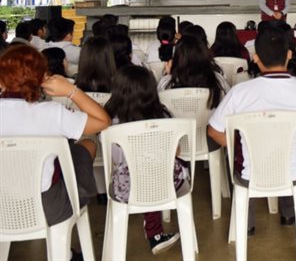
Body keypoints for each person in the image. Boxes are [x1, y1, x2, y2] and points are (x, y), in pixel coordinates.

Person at [207, 26, 296, 233]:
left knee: (236, 158)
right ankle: (289, 214)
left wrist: (243, 143)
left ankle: (247, 225)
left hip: (250, 174)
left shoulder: (240, 93)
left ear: (256, 58)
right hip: (295, 173)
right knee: (291, 150)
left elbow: (214, 131)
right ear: (289, 55)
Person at [0, 45, 110, 236]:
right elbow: (103, 121)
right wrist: (71, 91)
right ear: (42, 78)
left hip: (3, 205)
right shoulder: (52, 113)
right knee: (87, 140)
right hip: (48, 208)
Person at [104, 65, 188, 253]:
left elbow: (116, 159)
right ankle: (154, 232)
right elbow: (177, 152)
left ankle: (153, 232)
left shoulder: (109, 122)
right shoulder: (164, 117)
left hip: (125, 189)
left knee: (140, 175)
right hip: (166, 185)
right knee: (155, 174)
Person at [158, 35, 229, 102]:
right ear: (204, 56)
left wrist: (169, 75)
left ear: (177, 58)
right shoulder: (218, 80)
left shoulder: (166, 83)